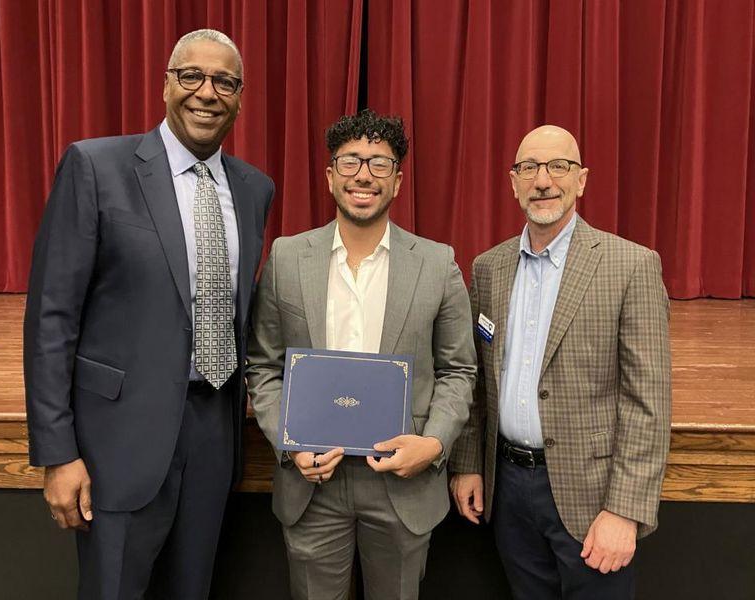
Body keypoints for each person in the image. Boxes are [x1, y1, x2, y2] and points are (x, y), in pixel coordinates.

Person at [23, 29, 273, 599]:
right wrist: (57, 453)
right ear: (166, 85)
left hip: (214, 435)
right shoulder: (95, 166)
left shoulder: (255, 188)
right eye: (192, 76)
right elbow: (51, 319)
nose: (207, 92)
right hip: (117, 442)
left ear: (240, 96)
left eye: (225, 82)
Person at [246, 109, 476, 600]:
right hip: (313, 483)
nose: (364, 175)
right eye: (350, 161)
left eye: (379, 163)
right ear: (331, 177)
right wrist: (289, 440)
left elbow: (459, 370)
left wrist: (433, 445)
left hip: (402, 483)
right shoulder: (287, 258)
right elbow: (263, 367)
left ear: (397, 181)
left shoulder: (437, 264)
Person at [449, 125, 671, 600]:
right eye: (529, 168)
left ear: (582, 179)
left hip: (592, 499)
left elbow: (647, 403)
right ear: (513, 182)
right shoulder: (489, 267)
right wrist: (469, 464)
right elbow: (477, 382)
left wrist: (624, 510)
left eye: (559, 167)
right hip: (507, 489)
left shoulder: (631, 266)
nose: (543, 180)